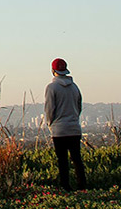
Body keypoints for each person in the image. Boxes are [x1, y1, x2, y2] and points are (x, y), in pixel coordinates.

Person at [45, 58, 86, 190]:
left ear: (53, 71)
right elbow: (79, 106)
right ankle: (82, 186)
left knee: (62, 160)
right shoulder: (74, 87)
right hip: (74, 128)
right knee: (77, 159)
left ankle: (65, 186)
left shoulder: (52, 87)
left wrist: (50, 123)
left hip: (59, 130)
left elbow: (50, 108)